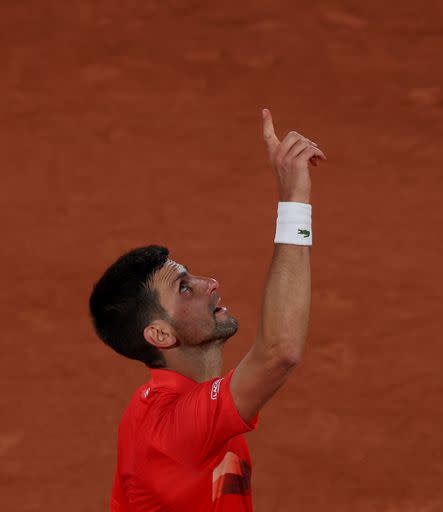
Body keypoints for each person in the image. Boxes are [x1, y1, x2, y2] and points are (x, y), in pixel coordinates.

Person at [88, 109, 327, 511]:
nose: (209, 283)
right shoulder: (173, 431)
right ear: (160, 334)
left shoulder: (155, 407)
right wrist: (294, 202)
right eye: (184, 288)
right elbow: (278, 352)